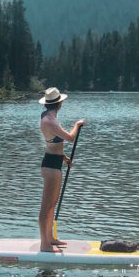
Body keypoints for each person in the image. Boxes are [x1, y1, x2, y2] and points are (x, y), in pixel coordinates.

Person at [38, 87, 85, 252]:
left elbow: (53, 143)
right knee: (46, 206)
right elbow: (70, 138)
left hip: (55, 162)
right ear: (58, 103)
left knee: (52, 204)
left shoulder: (49, 117)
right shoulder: (48, 121)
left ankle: (50, 238)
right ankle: (44, 245)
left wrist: (63, 157)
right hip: (50, 166)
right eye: (61, 101)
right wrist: (77, 125)